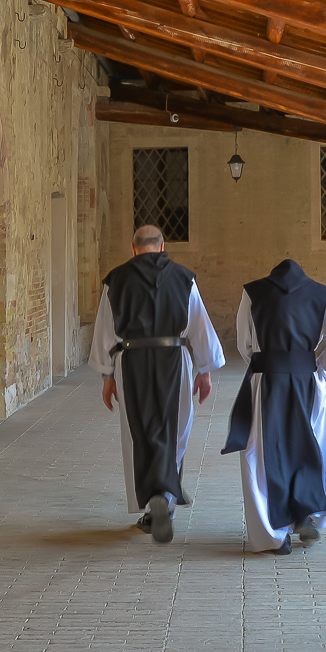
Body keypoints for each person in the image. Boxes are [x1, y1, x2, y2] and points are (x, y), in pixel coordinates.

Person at [89, 225, 225, 543]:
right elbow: (198, 324)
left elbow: (105, 332)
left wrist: (107, 376)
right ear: (162, 247)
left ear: (133, 249)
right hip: (174, 360)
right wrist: (204, 371)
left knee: (139, 435)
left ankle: (153, 502)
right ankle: (165, 495)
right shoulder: (183, 277)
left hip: (130, 362)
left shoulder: (116, 280)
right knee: (173, 431)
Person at [221, 259, 326, 554]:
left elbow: (245, 343)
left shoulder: (252, 292)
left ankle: (275, 536)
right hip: (308, 381)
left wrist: (264, 367)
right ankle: (304, 515)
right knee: (309, 446)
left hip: (266, 380)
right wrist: (325, 370)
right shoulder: (322, 293)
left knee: (263, 455)